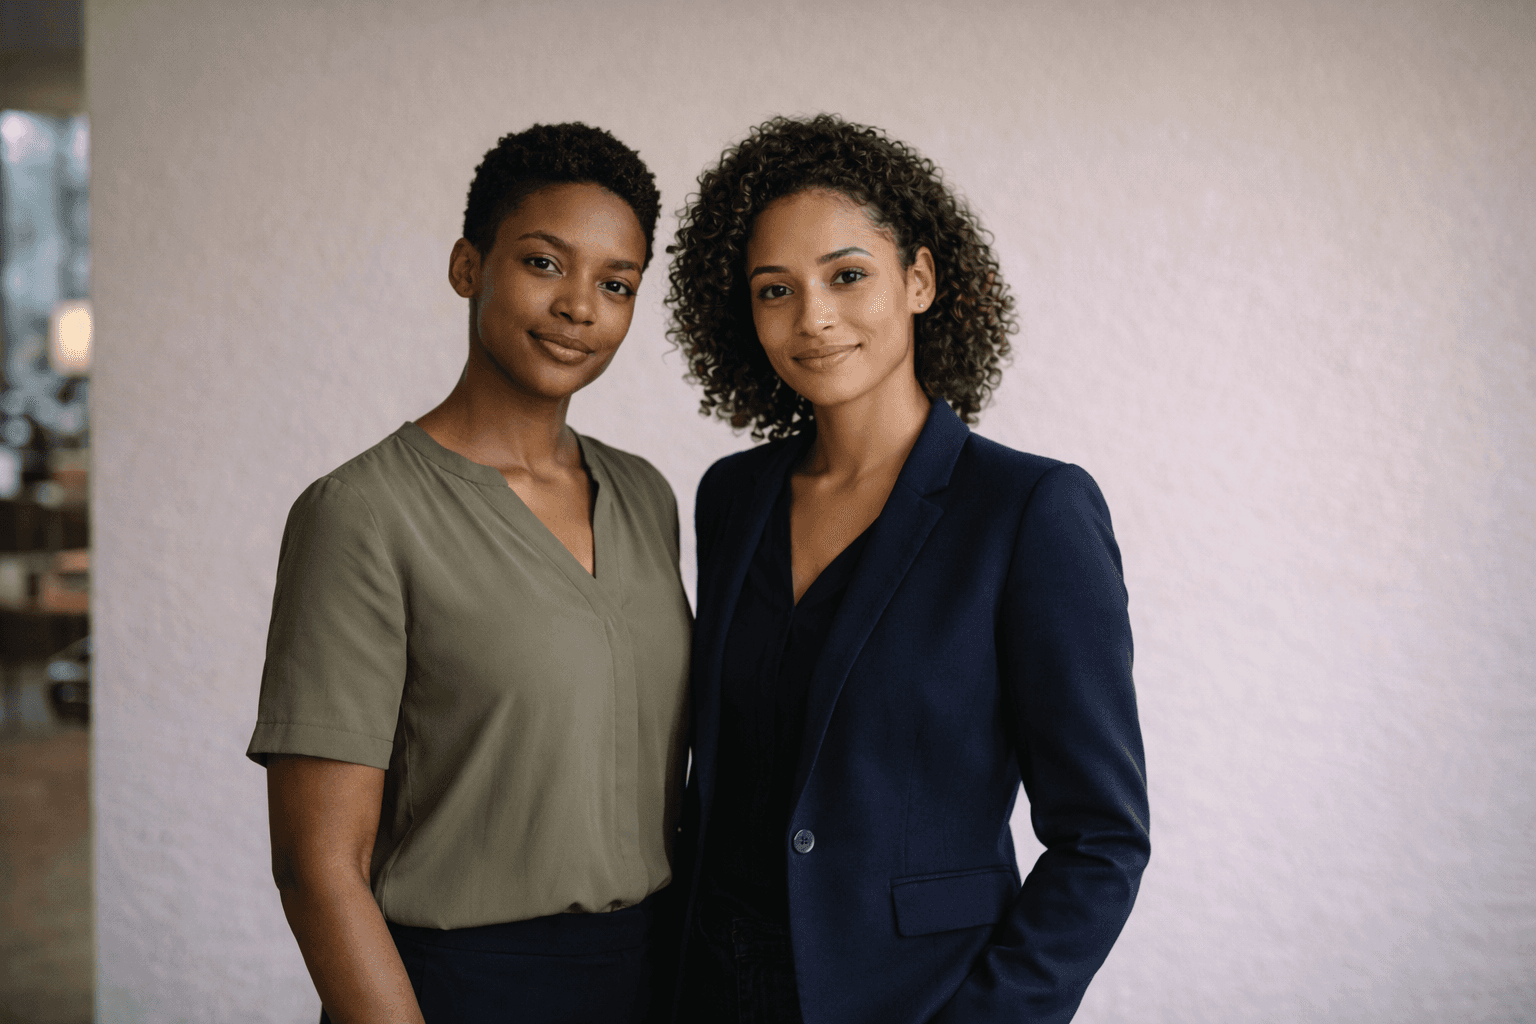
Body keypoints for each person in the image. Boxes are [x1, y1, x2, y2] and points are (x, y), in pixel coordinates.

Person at [662, 114, 1150, 1024]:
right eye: (775, 290)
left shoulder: (1030, 511)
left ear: (919, 279)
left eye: (848, 275)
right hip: (709, 991)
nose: (813, 317)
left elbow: (1102, 841)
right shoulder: (732, 497)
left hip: (911, 1000)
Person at [247, 123, 691, 1024]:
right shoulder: (362, 514)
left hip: (658, 976)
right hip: (460, 990)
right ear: (468, 266)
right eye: (543, 263)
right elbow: (317, 866)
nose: (580, 306)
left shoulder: (645, 496)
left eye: (617, 285)